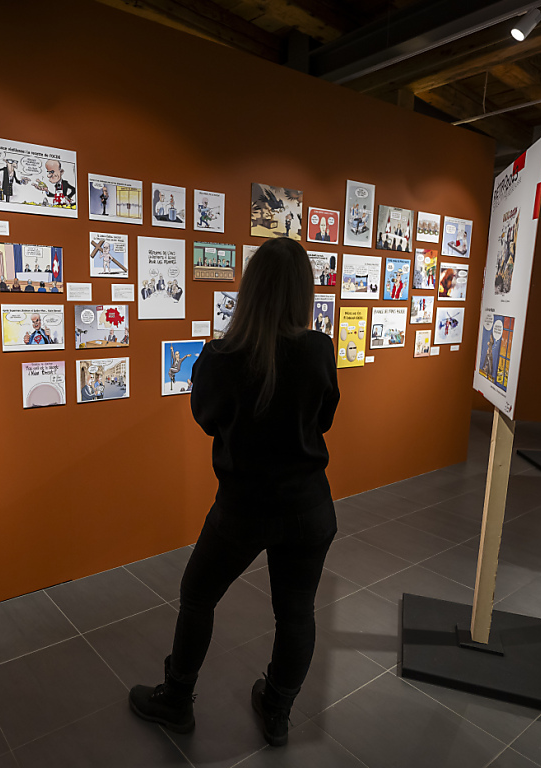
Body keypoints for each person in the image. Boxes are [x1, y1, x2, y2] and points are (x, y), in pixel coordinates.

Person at [129, 237, 340, 748]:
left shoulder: (223, 355)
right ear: (303, 293)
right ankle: (277, 711)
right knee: (296, 612)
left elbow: (206, 417)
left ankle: (177, 699)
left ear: (250, 290)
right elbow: (325, 419)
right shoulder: (319, 349)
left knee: (198, 595)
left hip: (244, 506)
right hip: (309, 507)